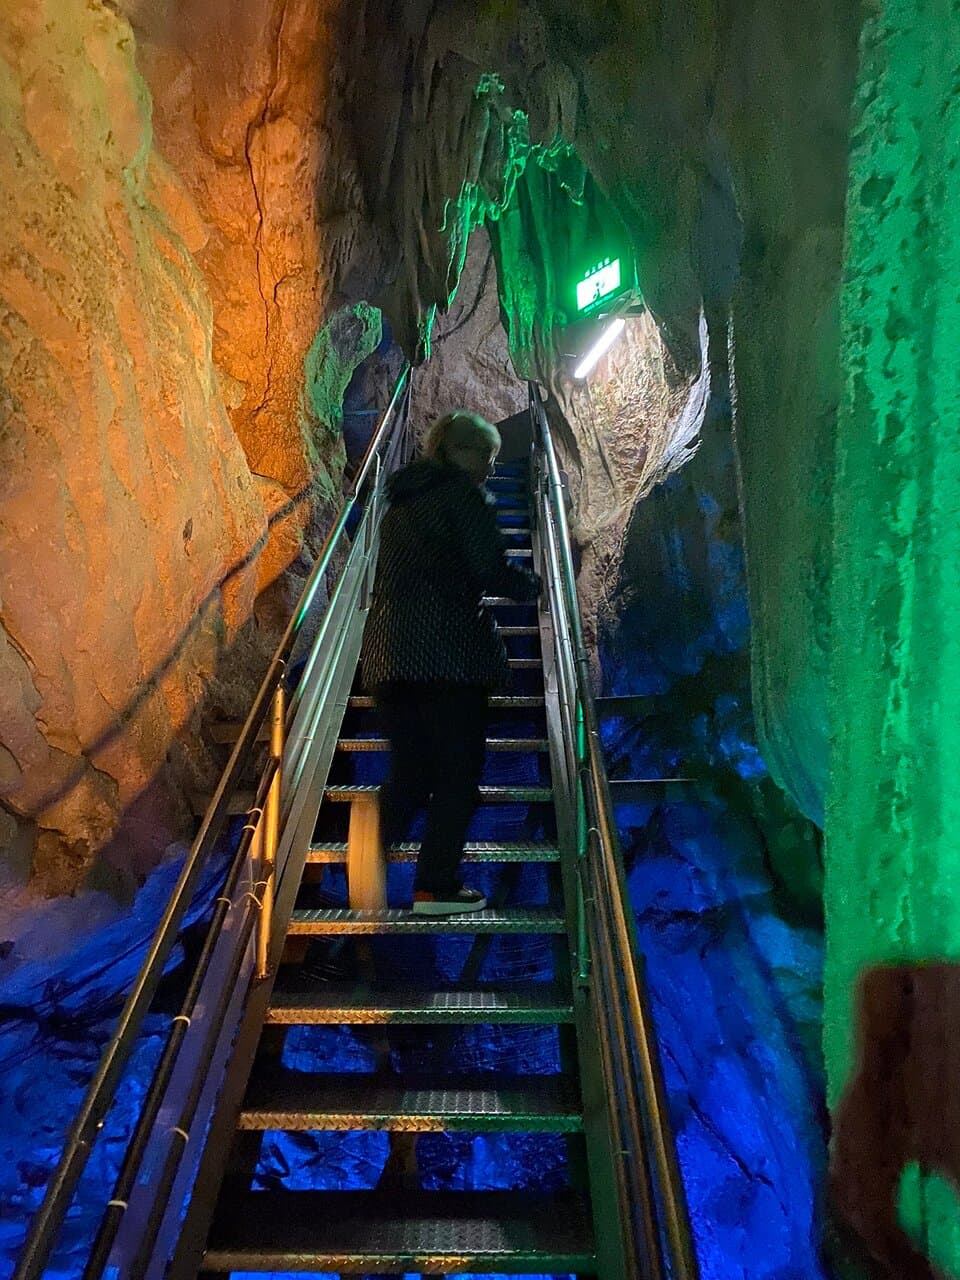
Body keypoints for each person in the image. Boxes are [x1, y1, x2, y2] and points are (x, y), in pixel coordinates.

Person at [360, 410, 541, 915]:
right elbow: (489, 570)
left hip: (388, 657)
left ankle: (370, 840)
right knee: (459, 772)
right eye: (484, 455)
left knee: (412, 771)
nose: (488, 468)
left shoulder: (400, 505)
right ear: (457, 452)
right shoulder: (463, 496)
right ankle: (435, 885)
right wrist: (534, 586)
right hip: (448, 660)